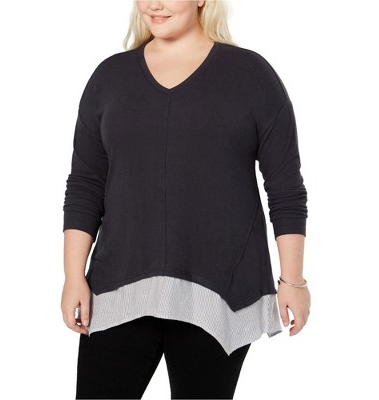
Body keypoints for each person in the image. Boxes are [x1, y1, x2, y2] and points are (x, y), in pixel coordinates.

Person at [61, 1, 311, 399]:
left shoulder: (252, 76)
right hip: (120, 286)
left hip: (218, 289)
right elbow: (86, 184)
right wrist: (73, 275)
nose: (154, 4)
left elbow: (285, 189)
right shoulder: (109, 78)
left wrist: (293, 281)